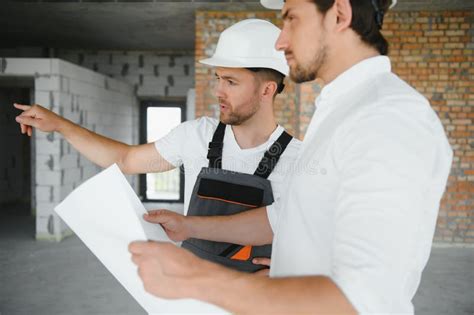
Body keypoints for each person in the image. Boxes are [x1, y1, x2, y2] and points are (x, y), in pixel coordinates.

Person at [128, 0, 453, 313]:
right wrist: (189, 227)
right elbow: (283, 217)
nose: (281, 40)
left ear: (339, 13)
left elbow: (361, 301)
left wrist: (197, 278)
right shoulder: (342, 112)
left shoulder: (386, 118)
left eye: (291, 18)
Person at [14, 19, 300, 273]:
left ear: (267, 89)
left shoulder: (298, 158)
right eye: (218, 79)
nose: (218, 91)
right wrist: (61, 126)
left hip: (258, 297)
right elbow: (126, 159)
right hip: (190, 287)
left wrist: (296, 265)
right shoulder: (196, 137)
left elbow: (300, 230)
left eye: (231, 81)